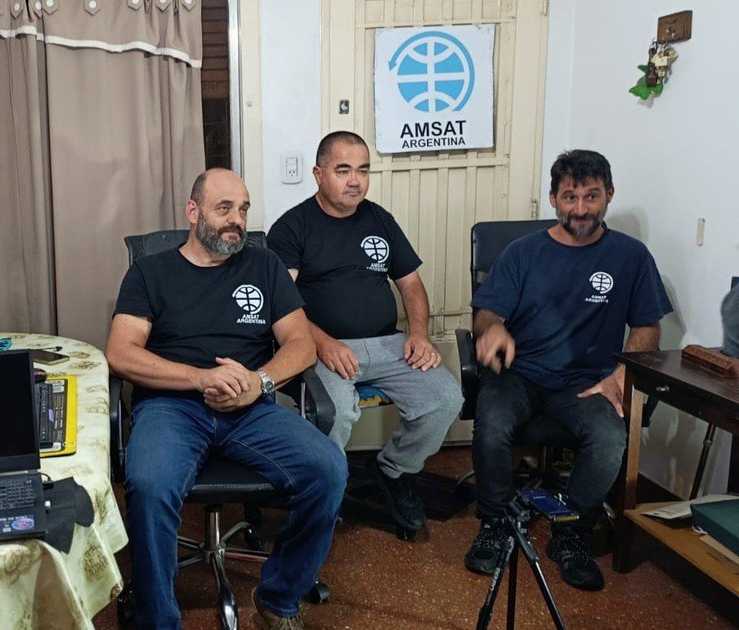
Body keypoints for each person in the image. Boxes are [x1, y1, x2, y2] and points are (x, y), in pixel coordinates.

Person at [107, 168, 347, 629]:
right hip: (172, 406)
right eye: (224, 209)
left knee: (329, 468)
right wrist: (199, 379)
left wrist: (259, 382)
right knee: (151, 485)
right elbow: (121, 354)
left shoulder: (264, 265)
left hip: (250, 407)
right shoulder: (150, 272)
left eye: (243, 209)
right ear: (193, 212)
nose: (236, 220)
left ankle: (278, 599)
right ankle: (157, 618)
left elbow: (301, 343)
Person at [463, 149, 673, 590]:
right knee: (491, 422)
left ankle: (571, 535)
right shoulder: (523, 253)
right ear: (553, 199)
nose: (580, 209)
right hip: (520, 374)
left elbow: (648, 327)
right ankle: (496, 524)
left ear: (609, 195)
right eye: (570, 197)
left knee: (612, 436)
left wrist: (623, 374)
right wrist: (492, 330)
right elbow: (486, 312)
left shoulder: (631, 257)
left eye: (591, 197)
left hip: (587, 382)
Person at [266, 131, 463, 533]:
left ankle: (394, 471)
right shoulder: (291, 227)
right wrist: (322, 343)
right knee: (334, 411)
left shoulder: (379, 219)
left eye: (362, 170)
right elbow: (280, 305)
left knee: (446, 397)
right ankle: (327, 489)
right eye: (343, 170)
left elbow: (410, 284)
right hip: (322, 347)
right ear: (319, 174)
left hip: (389, 344)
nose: (355, 180)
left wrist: (420, 334)